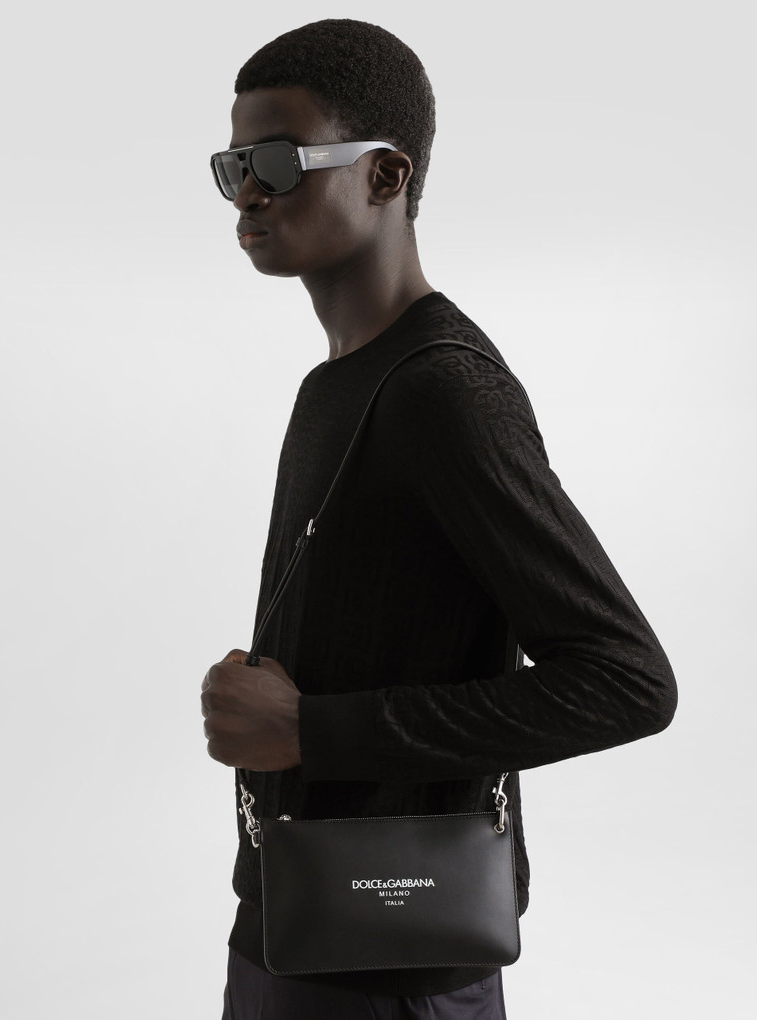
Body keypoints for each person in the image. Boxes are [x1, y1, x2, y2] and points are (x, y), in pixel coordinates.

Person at [200, 18, 677, 1020]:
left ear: (385, 175)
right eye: (234, 166)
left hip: (390, 955)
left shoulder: (442, 392)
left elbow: (625, 681)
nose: (247, 192)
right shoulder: (332, 387)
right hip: (292, 919)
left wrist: (312, 731)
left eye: (278, 162)